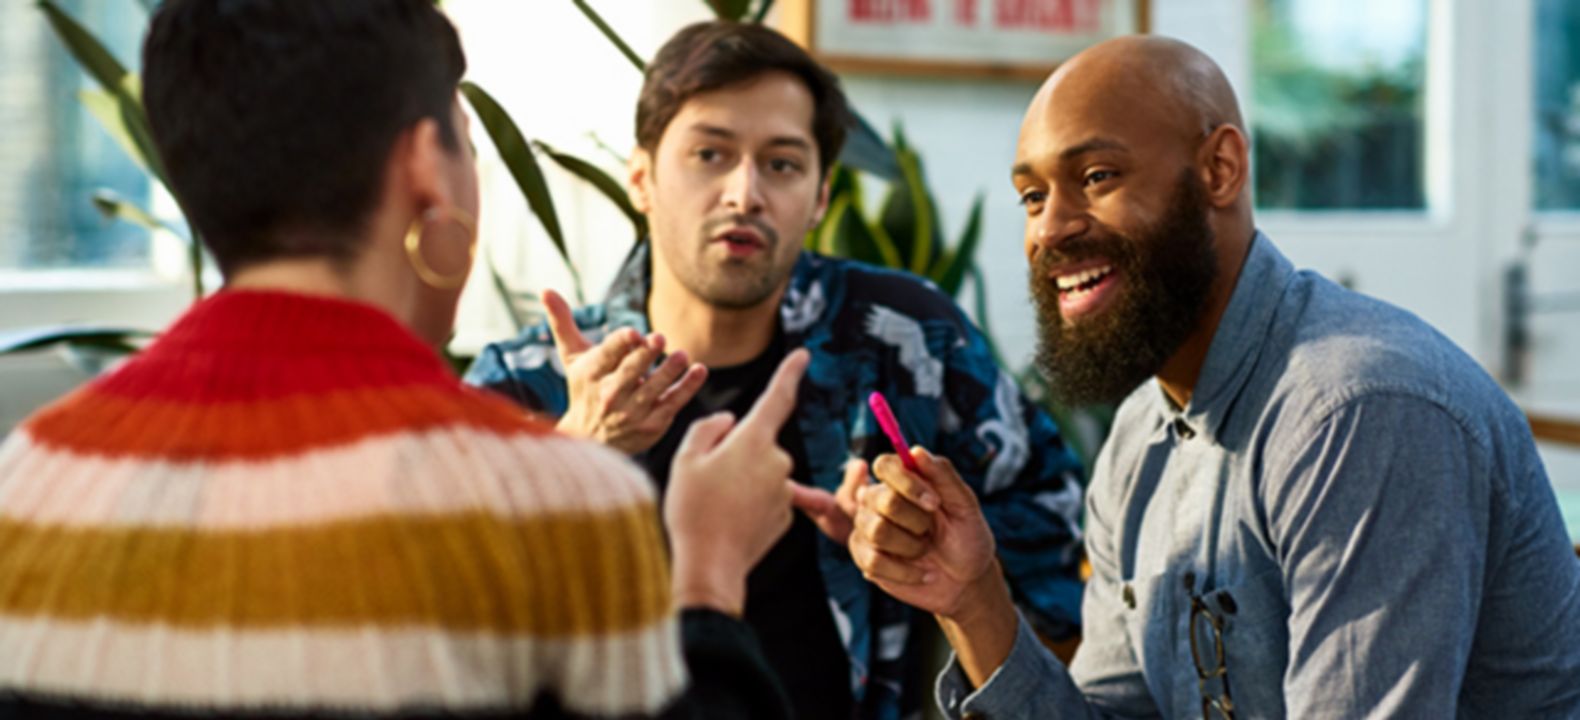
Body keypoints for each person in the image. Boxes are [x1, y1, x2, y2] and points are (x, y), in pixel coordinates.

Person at [0, 2, 803, 718]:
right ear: (425, 166)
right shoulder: (563, 500)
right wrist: (706, 576)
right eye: (466, 143)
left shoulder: (29, 473)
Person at [846, 35, 1580, 718]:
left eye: (1097, 177)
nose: (1051, 227)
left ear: (1219, 169)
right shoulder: (1140, 438)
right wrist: (974, 601)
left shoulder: (1357, 412)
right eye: (1033, 197)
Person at [465, 20, 1086, 720]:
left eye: (782, 164)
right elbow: (425, 619)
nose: (744, 193)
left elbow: (1064, 556)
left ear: (820, 197)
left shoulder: (908, 340)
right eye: (709, 154)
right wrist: (574, 455)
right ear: (641, 178)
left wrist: (931, 551)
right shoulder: (530, 381)